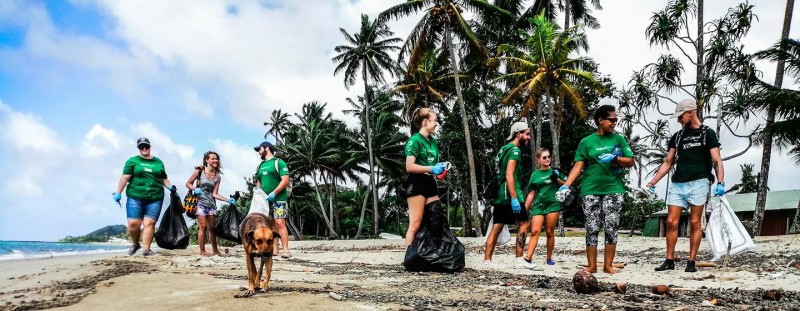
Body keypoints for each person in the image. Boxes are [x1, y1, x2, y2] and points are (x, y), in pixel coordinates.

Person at [647, 99, 725, 273]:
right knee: (671, 222)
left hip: (699, 182)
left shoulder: (707, 133)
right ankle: (669, 259)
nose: (679, 120)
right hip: (678, 183)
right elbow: (668, 162)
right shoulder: (678, 136)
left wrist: (720, 182)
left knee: (695, 222)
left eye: (681, 116)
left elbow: (717, 160)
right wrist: (653, 182)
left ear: (691, 112)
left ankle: (691, 261)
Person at [560, 105, 635, 274]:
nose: (615, 123)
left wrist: (615, 158)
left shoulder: (618, 139)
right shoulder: (586, 142)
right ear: (600, 121)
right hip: (590, 189)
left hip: (614, 189)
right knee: (592, 227)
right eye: (612, 120)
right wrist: (566, 184)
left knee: (611, 226)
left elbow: (630, 161)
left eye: (616, 120)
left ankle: (608, 265)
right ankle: (592, 265)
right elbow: (578, 165)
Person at [113, 137, 178, 256]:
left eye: (146, 146)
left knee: (150, 223)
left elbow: (163, 178)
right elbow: (125, 177)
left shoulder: (158, 162)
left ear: (149, 147)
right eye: (141, 146)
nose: (144, 148)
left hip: (155, 197)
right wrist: (118, 192)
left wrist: (169, 187)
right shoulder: (132, 161)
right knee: (133, 224)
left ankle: (146, 250)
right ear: (138, 148)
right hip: (135, 196)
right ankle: (135, 243)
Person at [484, 121, 533, 269]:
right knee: (524, 223)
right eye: (526, 133)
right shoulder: (515, 151)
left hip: (500, 194)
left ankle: (487, 261)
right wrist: (514, 198)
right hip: (511, 194)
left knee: (497, 226)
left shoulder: (503, 149)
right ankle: (518, 259)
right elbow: (509, 175)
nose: (529, 137)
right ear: (518, 134)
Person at [403, 108, 447, 247]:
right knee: (415, 224)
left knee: (436, 217)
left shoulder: (433, 142)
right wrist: (431, 168)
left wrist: (439, 171)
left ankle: (432, 253)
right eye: (434, 121)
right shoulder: (414, 141)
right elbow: (409, 167)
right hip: (417, 182)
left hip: (430, 181)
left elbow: (432, 165)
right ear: (425, 122)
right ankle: (409, 257)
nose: (436, 124)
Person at [186, 151, 236, 256]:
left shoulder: (217, 177)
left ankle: (215, 250)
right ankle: (202, 251)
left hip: (211, 204)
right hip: (199, 202)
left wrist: (227, 200)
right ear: (206, 160)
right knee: (203, 226)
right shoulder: (199, 172)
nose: (215, 160)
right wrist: (195, 189)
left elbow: (215, 194)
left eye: (216, 159)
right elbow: (188, 183)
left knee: (212, 228)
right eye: (212, 158)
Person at [523, 148, 566, 267]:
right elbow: (531, 193)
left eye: (548, 157)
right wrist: (524, 209)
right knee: (535, 231)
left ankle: (549, 258)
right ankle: (528, 258)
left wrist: (557, 179)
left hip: (553, 204)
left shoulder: (555, 171)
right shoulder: (535, 175)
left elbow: (566, 186)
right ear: (538, 160)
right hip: (539, 205)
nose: (547, 159)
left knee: (549, 232)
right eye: (544, 157)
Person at [254, 141, 292, 258]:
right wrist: (257, 190)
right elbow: (259, 181)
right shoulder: (260, 166)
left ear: (266, 148)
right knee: (269, 224)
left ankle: (285, 250)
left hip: (279, 198)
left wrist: (274, 193)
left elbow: (285, 180)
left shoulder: (279, 162)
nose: (259, 152)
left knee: (280, 223)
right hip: (264, 201)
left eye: (260, 149)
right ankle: (275, 250)